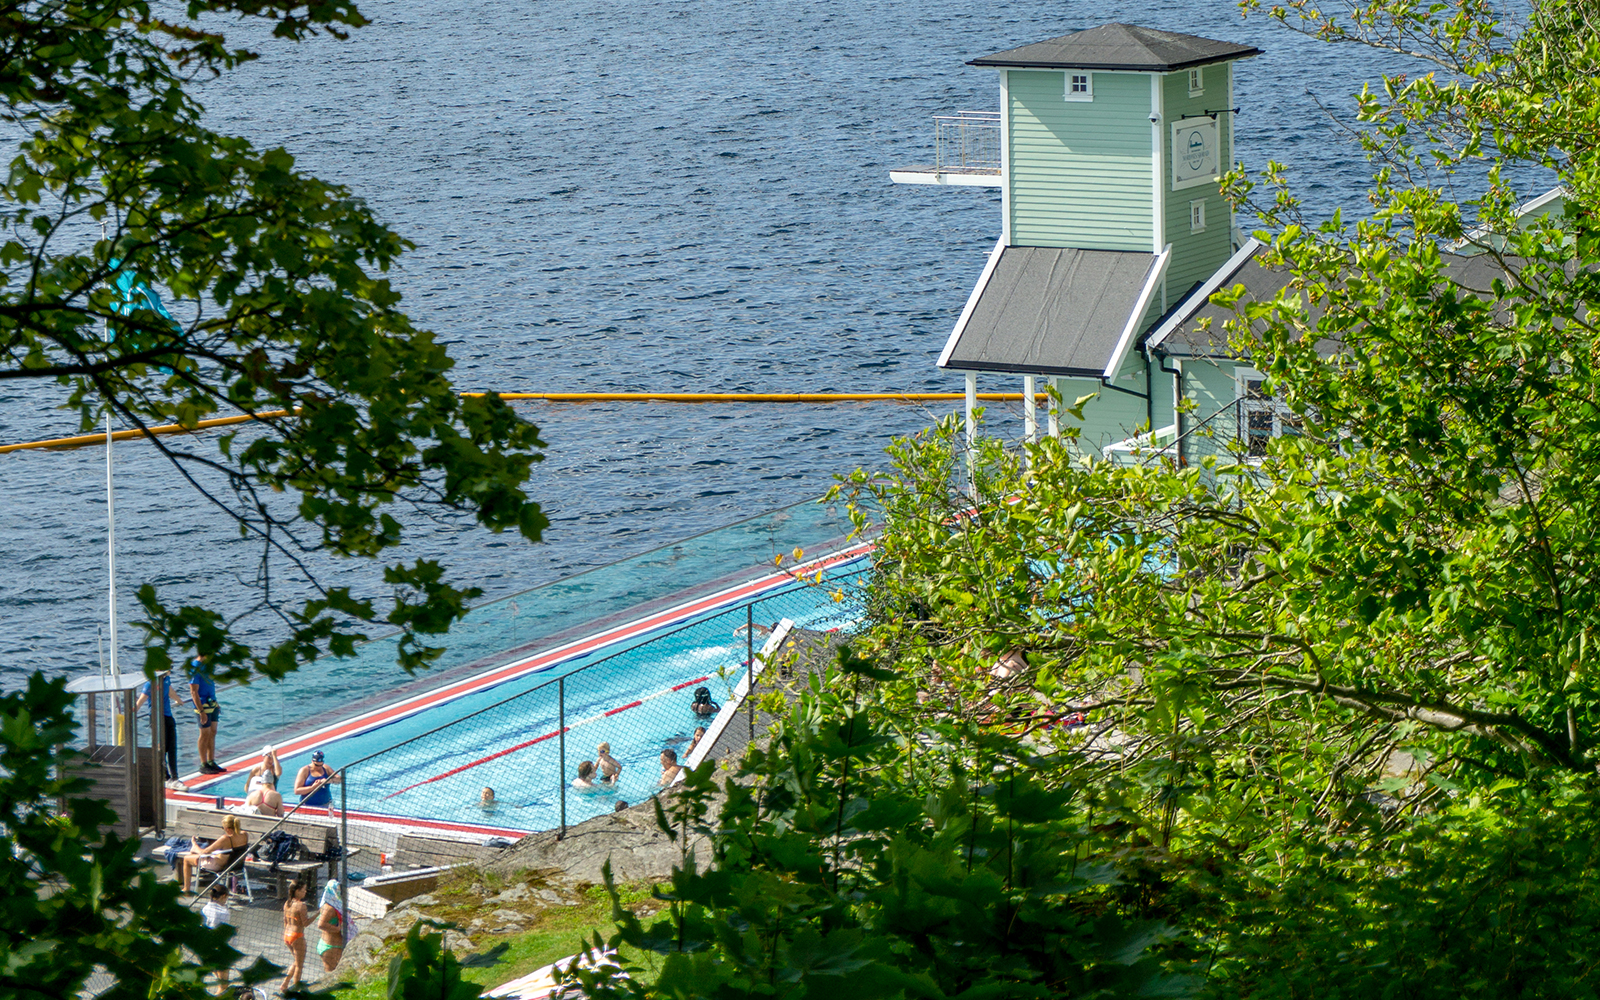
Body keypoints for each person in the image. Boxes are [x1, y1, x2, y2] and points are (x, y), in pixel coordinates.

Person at [134, 671, 182, 787]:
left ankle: (175, 777)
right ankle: (165, 777)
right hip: (156, 718)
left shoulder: (166, 679)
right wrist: (130, 713)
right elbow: (141, 701)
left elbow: (170, 690)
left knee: (172, 747)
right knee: (161, 748)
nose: (170, 670)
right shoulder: (151, 683)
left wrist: (178, 700)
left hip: (168, 716)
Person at [180, 814, 248, 893]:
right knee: (196, 856)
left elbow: (205, 852)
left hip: (220, 866)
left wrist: (195, 845)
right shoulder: (244, 835)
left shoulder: (226, 839)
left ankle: (186, 889)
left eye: (223, 828)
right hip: (236, 865)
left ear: (227, 829)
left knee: (186, 859)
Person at [188, 656, 224, 774]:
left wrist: (216, 703)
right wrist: (201, 711)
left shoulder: (208, 665)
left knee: (213, 732)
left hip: (212, 702)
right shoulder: (195, 667)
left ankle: (211, 761)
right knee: (204, 733)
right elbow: (194, 692)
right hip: (202, 704)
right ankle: (203, 763)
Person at [281, 874, 312, 994]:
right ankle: (296, 989)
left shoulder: (287, 903)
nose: (305, 892)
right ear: (297, 891)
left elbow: (285, 921)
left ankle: (284, 984)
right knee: (299, 965)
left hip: (287, 935)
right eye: (303, 890)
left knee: (296, 961)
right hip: (297, 936)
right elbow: (306, 923)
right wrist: (319, 913)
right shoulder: (301, 905)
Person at [200, 883, 231, 993]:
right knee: (223, 986)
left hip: (206, 950)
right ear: (223, 896)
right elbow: (222, 933)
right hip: (220, 952)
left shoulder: (205, 909)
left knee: (219, 981)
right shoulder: (224, 912)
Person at [316, 880, 351, 971]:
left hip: (329, 944)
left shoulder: (327, 904)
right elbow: (320, 924)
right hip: (332, 947)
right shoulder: (330, 908)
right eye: (338, 890)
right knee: (337, 973)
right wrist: (337, 929)